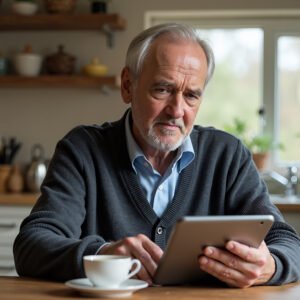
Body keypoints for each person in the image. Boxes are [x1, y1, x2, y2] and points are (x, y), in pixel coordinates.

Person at [14, 23, 300, 288]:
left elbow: (288, 243)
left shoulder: (226, 155)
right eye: (163, 90)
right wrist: (102, 254)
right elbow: (32, 245)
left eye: (191, 95)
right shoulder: (83, 149)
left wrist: (269, 265)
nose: (177, 111)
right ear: (128, 86)